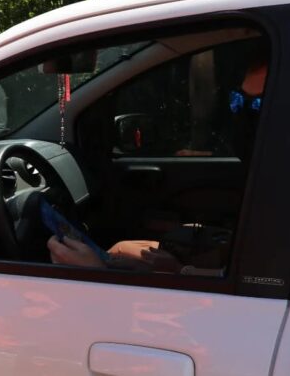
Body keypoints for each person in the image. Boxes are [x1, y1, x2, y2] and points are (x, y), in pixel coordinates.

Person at [49, 46, 269, 273]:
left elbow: (257, 282)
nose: (243, 114)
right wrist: (177, 267)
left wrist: (96, 274)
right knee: (120, 251)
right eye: (237, 101)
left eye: (258, 105)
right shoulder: (274, 172)